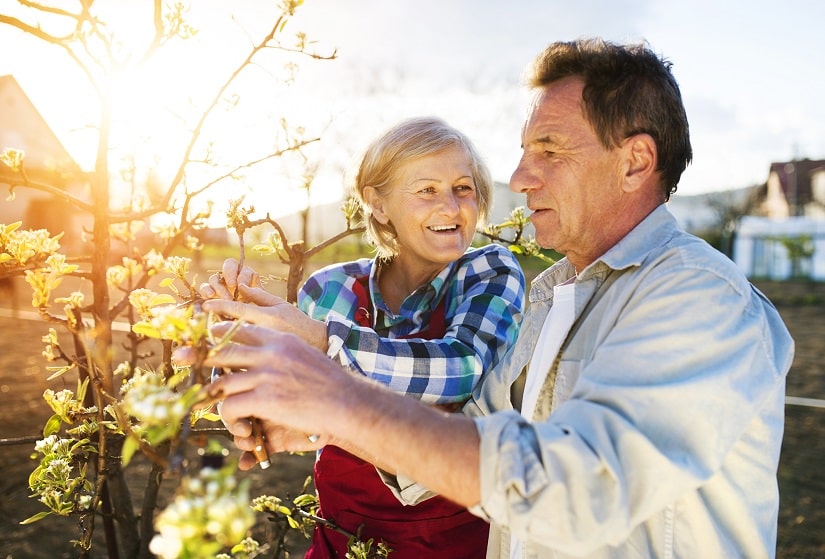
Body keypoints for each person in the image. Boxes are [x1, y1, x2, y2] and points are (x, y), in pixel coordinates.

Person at [181, 38, 795, 558]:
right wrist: (303, 420)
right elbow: (466, 438)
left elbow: (576, 487)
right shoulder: (553, 297)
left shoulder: (696, 296)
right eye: (524, 154)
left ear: (635, 161)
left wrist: (334, 392)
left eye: (549, 152)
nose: (520, 178)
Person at [198, 116, 526, 558]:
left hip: (454, 546)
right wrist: (238, 347)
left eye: (463, 188)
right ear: (378, 203)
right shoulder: (328, 290)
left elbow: (461, 369)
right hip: (342, 541)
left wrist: (322, 342)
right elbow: (287, 392)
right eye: (427, 190)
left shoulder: (489, 272)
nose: (451, 206)